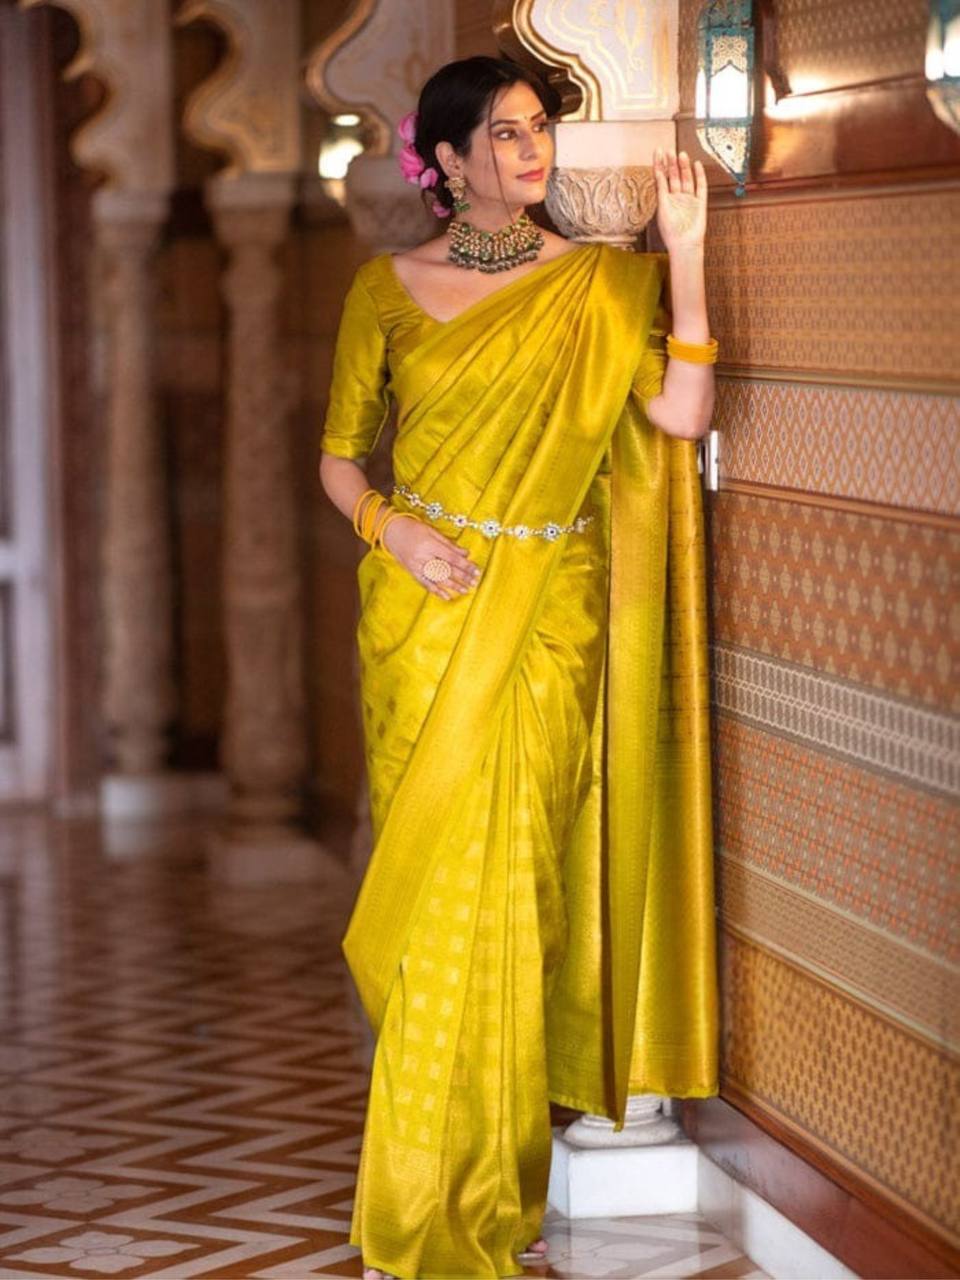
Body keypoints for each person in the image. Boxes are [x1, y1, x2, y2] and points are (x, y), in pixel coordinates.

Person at [318, 54, 719, 1280]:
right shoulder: (385, 290)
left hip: (550, 613)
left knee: (521, 896)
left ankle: (496, 1189)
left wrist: (685, 256)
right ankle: (416, 1204)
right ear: (445, 161)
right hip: (427, 617)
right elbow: (339, 459)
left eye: (538, 127)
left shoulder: (598, 285)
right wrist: (394, 530)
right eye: (501, 134)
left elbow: (682, 418)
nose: (530, 149)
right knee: (438, 902)